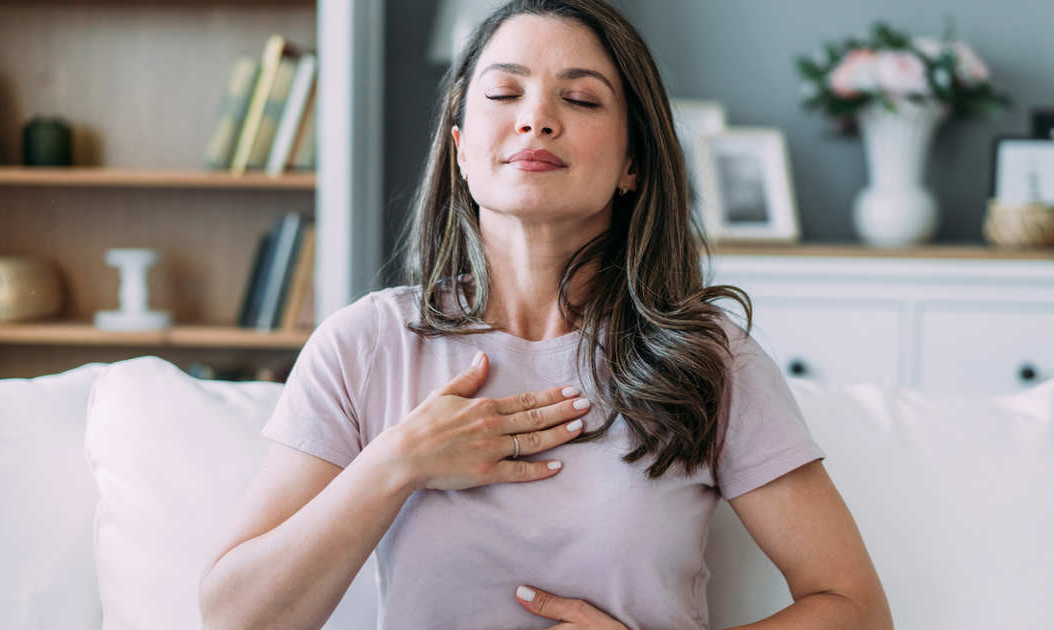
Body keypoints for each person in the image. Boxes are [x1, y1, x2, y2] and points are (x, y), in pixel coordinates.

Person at [198, 1, 892, 628]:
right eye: (504, 92)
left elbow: (855, 609)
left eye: (582, 99)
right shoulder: (366, 345)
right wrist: (398, 463)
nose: (537, 117)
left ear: (633, 164)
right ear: (461, 145)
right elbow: (236, 618)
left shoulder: (709, 358)